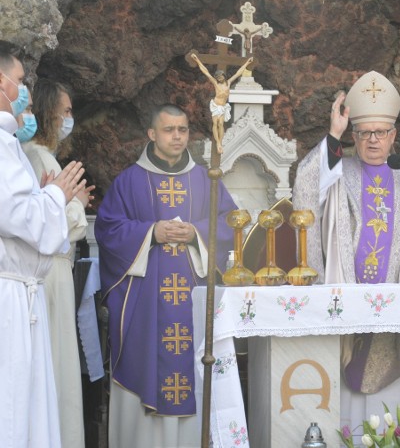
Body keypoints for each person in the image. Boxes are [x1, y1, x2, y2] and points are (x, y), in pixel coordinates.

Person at [292, 70, 400, 428]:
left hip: (399, 317)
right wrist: (334, 133)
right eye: (364, 133)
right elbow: (305, 191)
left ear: (393, 136)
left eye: (381, 133)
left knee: (395, 419)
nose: (373, 141)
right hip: (347, 311)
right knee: (350, 421)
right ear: (354, 136)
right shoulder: (338, 173)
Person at [95, 103, 236, 448]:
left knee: (194, 364)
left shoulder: (206, 179)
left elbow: (232, 223)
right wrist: (150, 233)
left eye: (183, 130)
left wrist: (198, 233)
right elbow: (108, 230)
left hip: (194, 299)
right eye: (169, 130)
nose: (177, 136)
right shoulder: (129, 180)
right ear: (152, 134)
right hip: (145, 304)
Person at [0, 50, 89, 447]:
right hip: (10, 293)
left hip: (23, 289)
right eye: (20, 82)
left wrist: (53, 197)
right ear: (2, 83)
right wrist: (57, 195)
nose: (23, 93)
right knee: (17, 403)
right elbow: (21, 216)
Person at [22, 79, 93, 448]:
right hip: (50, 273)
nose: (70, 118)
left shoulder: (38, 157)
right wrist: (77, 203)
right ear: (50, 112)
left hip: (54, 271)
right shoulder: (39, 158)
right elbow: (51, 225)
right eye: (65, 111)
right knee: (59, 366)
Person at [191, 53, 253, 154]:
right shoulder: (215, 83)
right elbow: (206, 72)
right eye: (218, 78)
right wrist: (197, 60)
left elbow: (238, 73)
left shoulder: (228, 82)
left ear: (223, 76)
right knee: (216, 124)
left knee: (221, 124)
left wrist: (247, 63)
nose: (219, 79)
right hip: (216, 105)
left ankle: (220, 142)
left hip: (223, 106)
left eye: (221, 77)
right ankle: (218, 144)